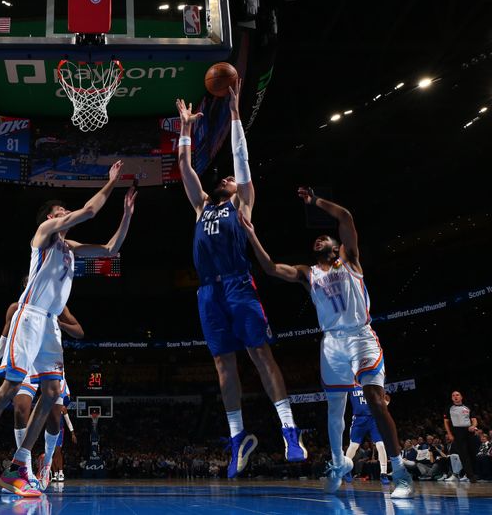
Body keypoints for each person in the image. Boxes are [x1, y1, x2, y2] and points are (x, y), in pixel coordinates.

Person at [0, 162, 136, 498]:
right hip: (30, 316)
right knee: (11, 388)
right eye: (59, 211)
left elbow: (111, 249)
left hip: (50, 325)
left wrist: (126, 214)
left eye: (64, 210)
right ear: (49, 219)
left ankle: (18, 465)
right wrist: (110, 183)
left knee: (53, 393)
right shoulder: (42, 237)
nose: (65, 213)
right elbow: (89, 211)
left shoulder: (70, 249)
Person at [239, 188, 414, 498]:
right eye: (315, 240)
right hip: (332, 344)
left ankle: (400, 472)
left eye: (325, 238)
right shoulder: (308, 274)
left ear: (337, 246)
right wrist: (252, 235)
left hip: (361, 337)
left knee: (375, 398)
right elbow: (269, 268)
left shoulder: (350, 259)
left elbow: (345, 216)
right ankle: (337, 463)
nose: (319, 240)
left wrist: (314, 201)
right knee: (335, 409)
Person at [175, 89, 306, 479]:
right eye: (226, 178)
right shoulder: (202, 206)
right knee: (221, 364)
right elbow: (184, 169)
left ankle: (289, 430)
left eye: (232, 179)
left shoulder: (241, 203)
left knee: (260, 355)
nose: (228, 178)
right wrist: (184, 131)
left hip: (237, 285)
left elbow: (241, 160)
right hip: (208, 292)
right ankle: (238, 439)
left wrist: (234, 112)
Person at [0, 296, 84, 490]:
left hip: (49, 362)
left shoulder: (57, 306)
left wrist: (61, 324)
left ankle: (46, 465)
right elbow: (4, 339)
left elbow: (79, 331)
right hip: (26, 361)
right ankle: (25, 467)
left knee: (54, 418)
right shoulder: (15, 308)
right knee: (20, 409)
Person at [344, 389, 390, 484]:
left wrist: (384, 402)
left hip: (374, 418)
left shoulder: (372, 384)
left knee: (381, 445)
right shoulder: (351, 385)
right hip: (358, 419)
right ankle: (346, 470)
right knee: (353, 446)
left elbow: (384, 399)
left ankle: (384, 473)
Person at [443, 390, 478, 483]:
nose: (455, 396)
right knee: (463, 455)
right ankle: (470, 476)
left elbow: (474, 420)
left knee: (472, 453)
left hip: (469, 430)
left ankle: (473, 473)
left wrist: (473, 426)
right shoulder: (449, 408)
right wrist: (450, 434)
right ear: (451, 398)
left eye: (457, 395)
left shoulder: (468, 407)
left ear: (461, 397)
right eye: (453, 395)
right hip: (457, 432)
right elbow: (446, 422)